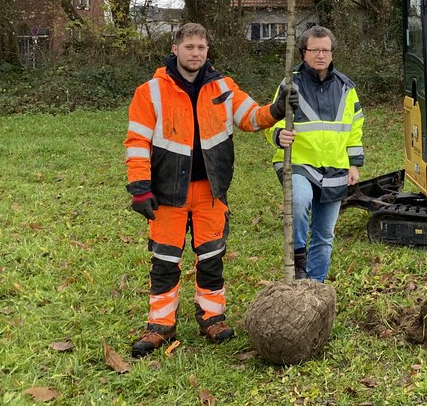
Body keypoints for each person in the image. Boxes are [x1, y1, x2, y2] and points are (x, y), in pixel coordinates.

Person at [124, 22, 297, 358]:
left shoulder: (223, 87)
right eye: (189, 47)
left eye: (201, 48)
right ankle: (160, 325)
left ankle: (212, 317)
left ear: (207, 51)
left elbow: (252, 117)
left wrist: (277, 110)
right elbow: (137, 141)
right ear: (175, 49)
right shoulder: (151, 92)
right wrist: (140, 187)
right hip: (166, 194)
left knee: (212, 258)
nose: (195, 53)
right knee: (164, 261)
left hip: (211, 192)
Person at [267, 26, 364, 282]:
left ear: (332, 53)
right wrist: (278, 135)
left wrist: (354, 165)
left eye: (325, 50)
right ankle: (298, 258)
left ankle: (315, 286)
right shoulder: (291, 84)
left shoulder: (347, 88)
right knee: (299, 201)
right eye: (314, 50)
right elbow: (274, 119)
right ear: (303, 53)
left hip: (334, 168)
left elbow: (354, 129)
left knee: (324, 235)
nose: (320, 55)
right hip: (299, 163)